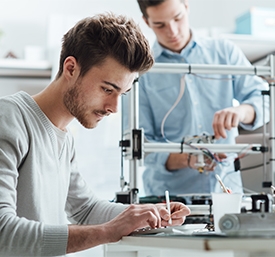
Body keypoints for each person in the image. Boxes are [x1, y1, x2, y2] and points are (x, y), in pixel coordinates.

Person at [0, 13, 191, 257]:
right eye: (107, 89)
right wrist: (108, 231)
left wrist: (147, 212)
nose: (114, 107)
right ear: (71, 68)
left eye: (121, 94)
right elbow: (3, 231)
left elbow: (85, 209)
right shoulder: (9, 118)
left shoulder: (64, 139)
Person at [135, 0, 269, 197]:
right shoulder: (141, 72)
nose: (172, 31)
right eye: (160, 25)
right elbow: (139, 145)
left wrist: (241, 112)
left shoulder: (224, 53)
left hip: (227, 192)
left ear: (187, 7)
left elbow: (264, 100)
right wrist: (188, 159)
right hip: (168, 199)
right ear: (146, 22)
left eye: (177, 18)